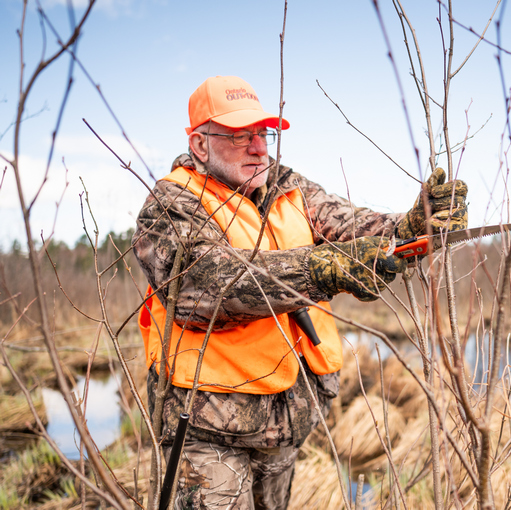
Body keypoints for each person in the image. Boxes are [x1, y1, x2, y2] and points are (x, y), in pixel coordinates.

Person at [134, 75, 467, 509]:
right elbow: (207, 289)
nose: (258, 148)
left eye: (262, 134)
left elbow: (354, 227)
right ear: (200, 144)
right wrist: (323, 270)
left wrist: (411, 227)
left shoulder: (289, 188)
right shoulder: (169, 205)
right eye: (240, 136)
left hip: (284, 421)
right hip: (207, 429)